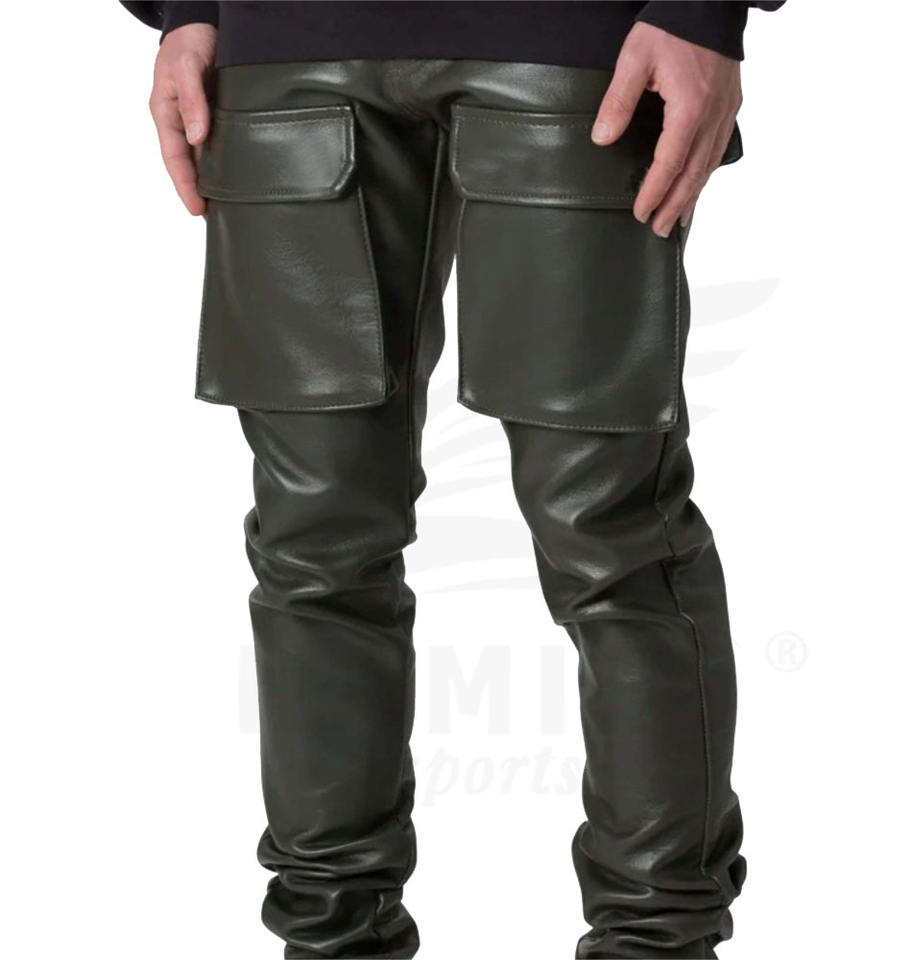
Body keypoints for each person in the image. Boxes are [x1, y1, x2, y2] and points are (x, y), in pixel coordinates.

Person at [122, 3, 782, 957]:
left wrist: (697, 7)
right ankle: (332, 936)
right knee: (313, 545)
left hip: (576, 37)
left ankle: (656, 940)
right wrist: (188, 8)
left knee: (610, 537)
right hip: (285, 40)